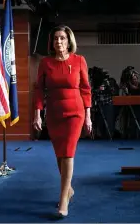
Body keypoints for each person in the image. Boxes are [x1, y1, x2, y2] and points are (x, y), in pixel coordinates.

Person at [33, 25, 92, 218]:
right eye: (56, 38)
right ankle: (69, 189)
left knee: (67, 153)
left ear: (69, 41)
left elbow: (85, 89)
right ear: (52, 42)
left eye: (63, 38)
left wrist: (88, 116)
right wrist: (37, 114)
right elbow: (39, 90)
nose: (59, 41)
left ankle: (64, 198)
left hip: (75, 112)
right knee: (59, 155)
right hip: (54, 113)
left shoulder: (79, 60)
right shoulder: (46, 63)